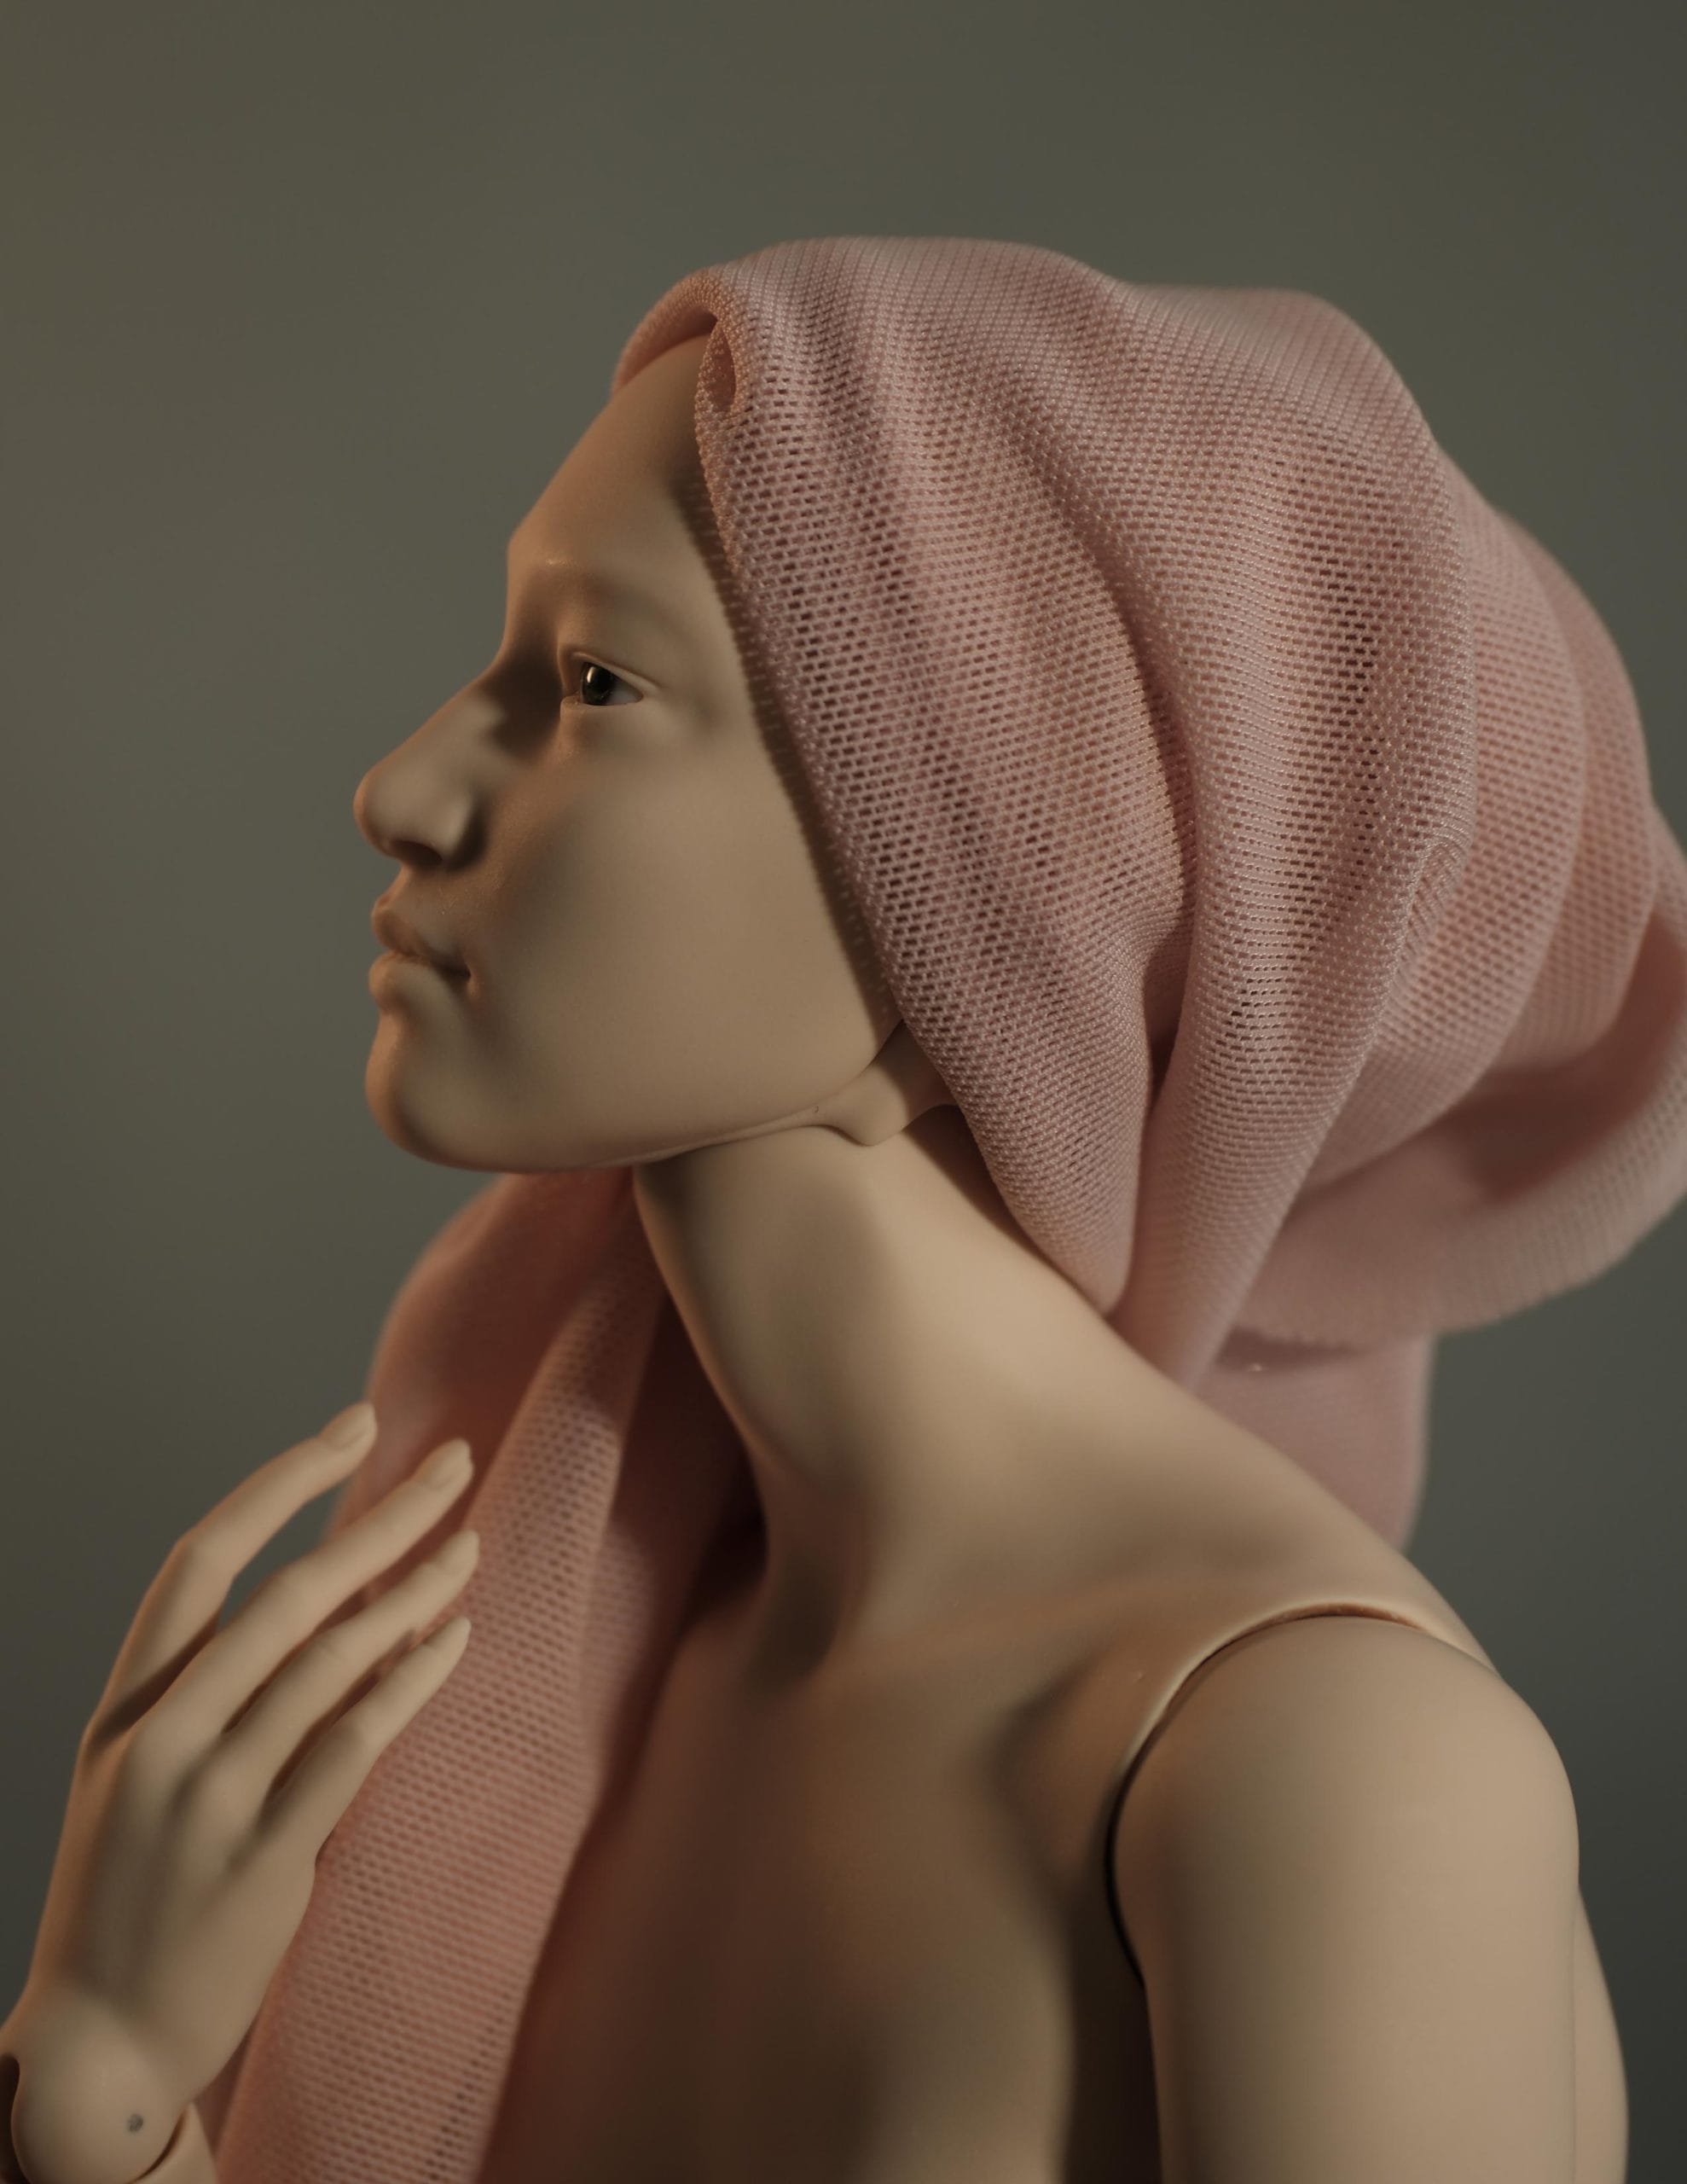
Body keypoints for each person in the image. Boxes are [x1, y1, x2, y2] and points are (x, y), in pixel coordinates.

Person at [9, 236, 1678, 2182]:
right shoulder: (562, 1684)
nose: (405, 788)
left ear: (989, 869)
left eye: (592, 682)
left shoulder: (1315, 1763)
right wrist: (103, 2095)